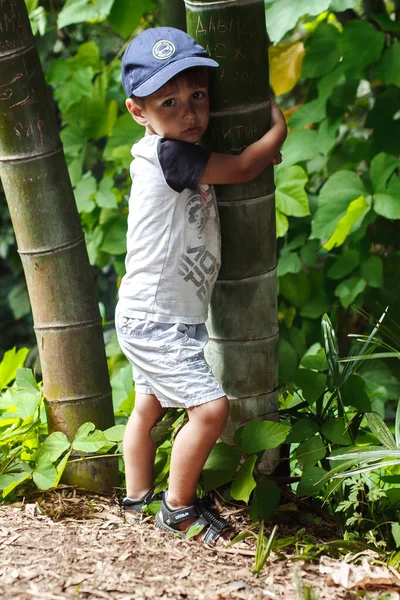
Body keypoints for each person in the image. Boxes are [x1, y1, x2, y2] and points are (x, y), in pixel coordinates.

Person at [115, 26, 287, 545]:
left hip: (157, 313)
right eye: (169, 102)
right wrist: (274, 128)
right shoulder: (169, 155)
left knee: (147, 407)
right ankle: (176, 507)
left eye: (198, 96)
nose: (189, 113)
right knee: (211, 409)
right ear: (138, 112)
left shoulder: (172, 151)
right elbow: (242, 165)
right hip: (156, 318)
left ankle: (136, 499)